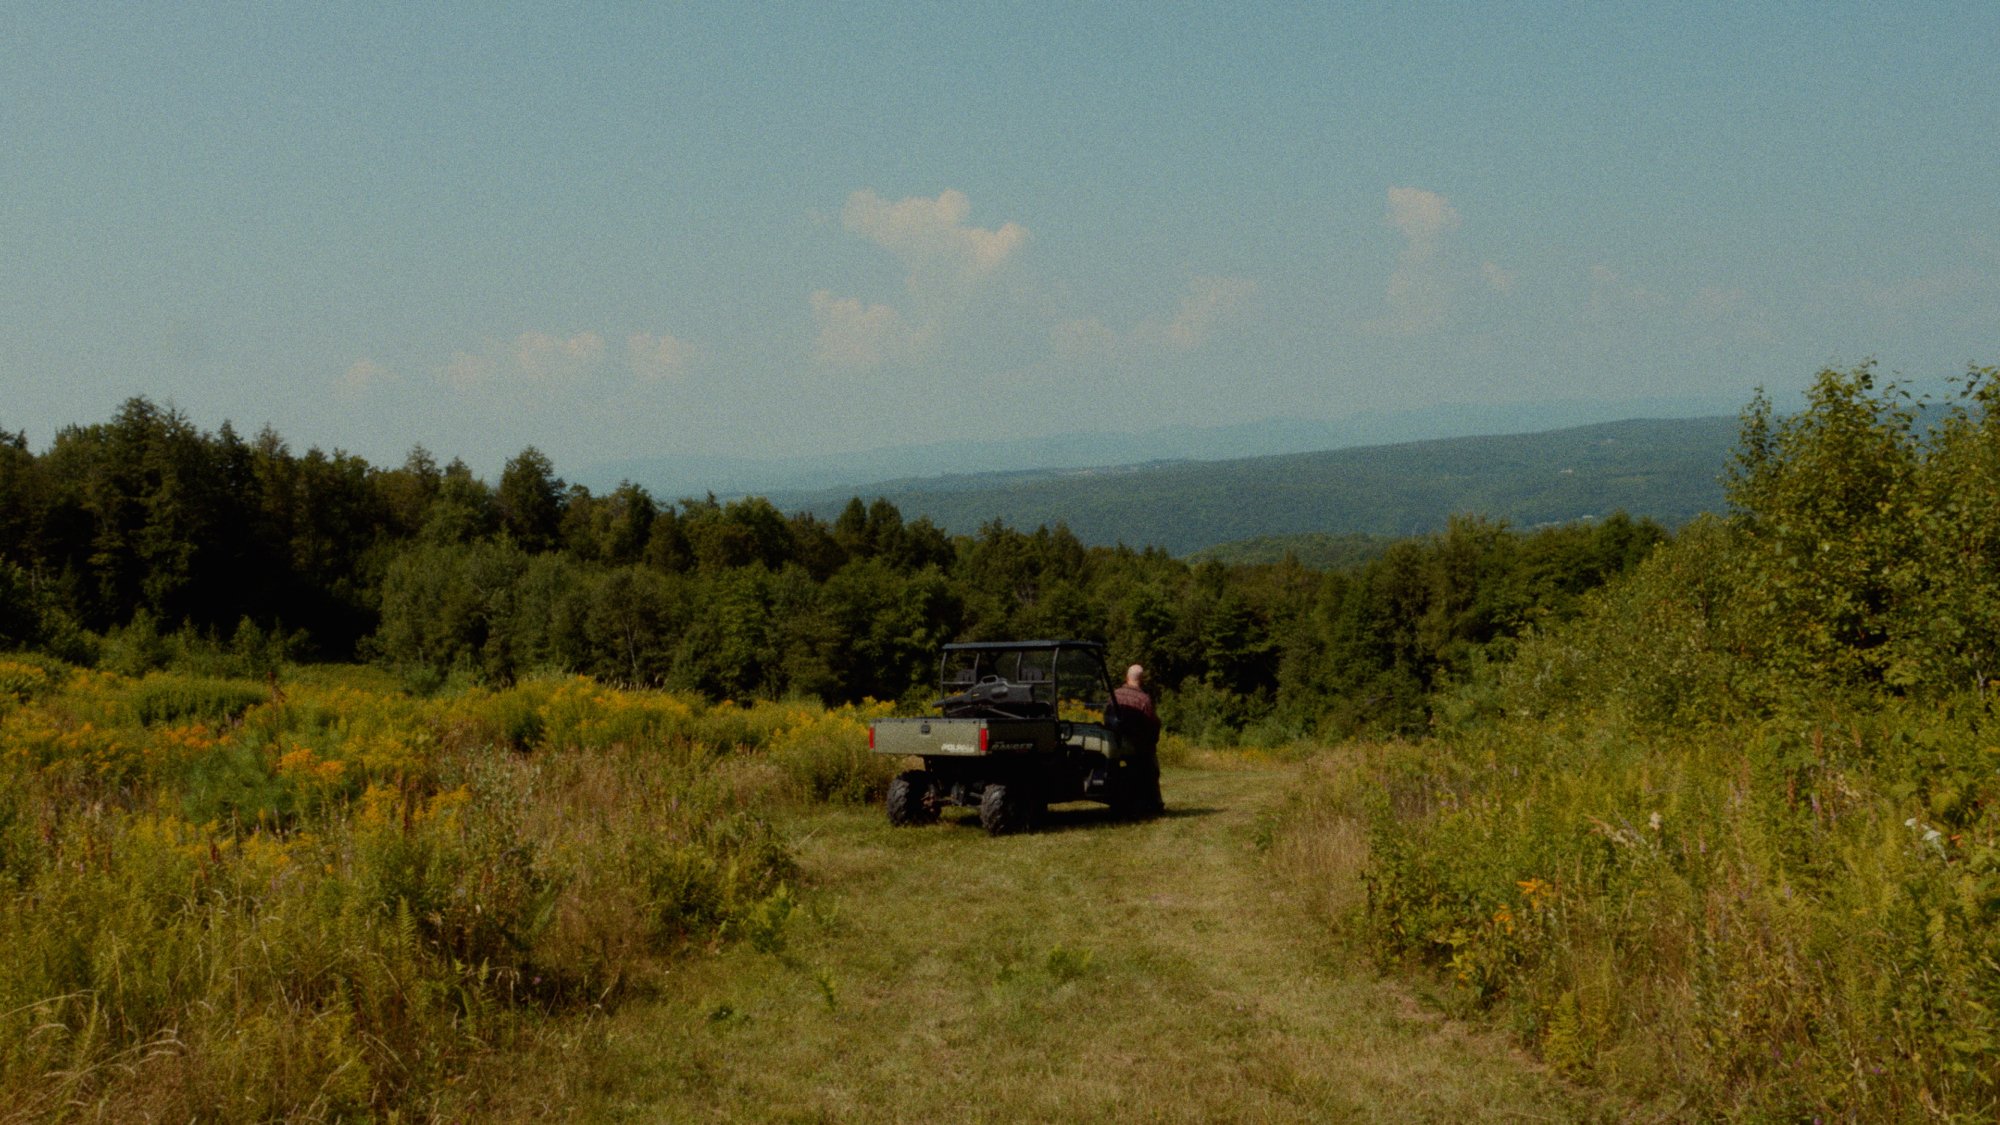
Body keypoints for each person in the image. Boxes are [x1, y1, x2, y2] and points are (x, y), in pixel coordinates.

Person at [1107, 664, 1164, 815]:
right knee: (1152, 767)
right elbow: (1152, 724)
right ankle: (1154, 803)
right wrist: (1152, 741)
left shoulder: (1114, 695)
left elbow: (1107, 717)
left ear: (1127, 677)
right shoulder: (1144, 699)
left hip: (1114, 742)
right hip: (1137, 745)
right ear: (1142, 679)